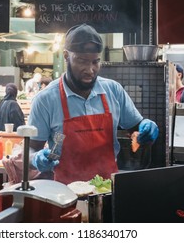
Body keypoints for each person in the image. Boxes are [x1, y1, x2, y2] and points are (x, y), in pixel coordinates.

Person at [28, 23, 159, 184]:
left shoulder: (113, 91)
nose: (90, 70)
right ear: (66, 56)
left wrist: (146, 128)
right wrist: (35, 158)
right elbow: (32, 147)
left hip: (106, 189)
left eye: (95, 62)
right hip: (65, 194)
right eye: (82, 61)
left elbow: (137, 129)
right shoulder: (46, 99)